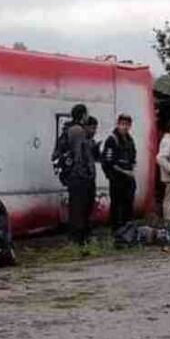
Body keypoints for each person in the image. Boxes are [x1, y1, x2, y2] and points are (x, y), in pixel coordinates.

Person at [66, 105, 96, 245]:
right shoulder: (78, 131)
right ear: (83, 115)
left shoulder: (73, 129)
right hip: (79, 177)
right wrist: (84, 173)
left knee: (79, 207)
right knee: (79, 207)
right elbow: (78, 155)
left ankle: (79, 236)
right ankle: (78, 238)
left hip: (76, 176)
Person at [101, 113, 137, 231]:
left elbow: (133, 157)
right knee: (117, 205)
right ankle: (116, 230)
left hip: (128, 179)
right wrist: (125, 172)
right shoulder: (112, 139)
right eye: (122, 124)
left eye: (127, 124)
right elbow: (109, 162)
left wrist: (132, 168)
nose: (124, 127)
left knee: (128, 204)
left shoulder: (130, 140)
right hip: (117, 178)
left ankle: (128, 229)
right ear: (118, 124)